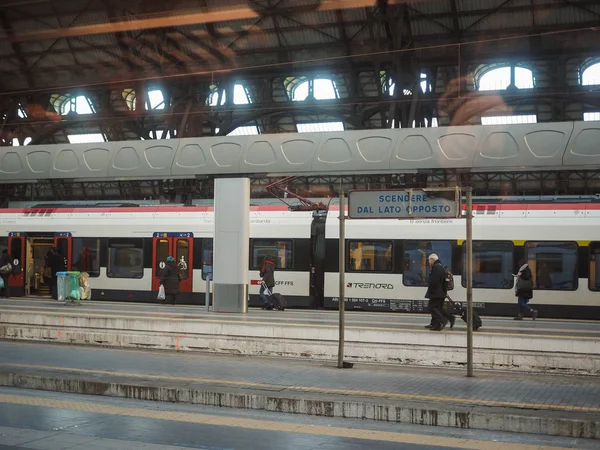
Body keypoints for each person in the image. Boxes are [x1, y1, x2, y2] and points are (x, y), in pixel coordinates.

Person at [424, 253, 455, 331]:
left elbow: (434, 281)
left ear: (432, 259)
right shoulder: (440, 266)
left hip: (436, 292)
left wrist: (431, 291)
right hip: (440, 292)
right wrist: (444, 291)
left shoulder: (436, 267)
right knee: (438, 308)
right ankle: (435, 324)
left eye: (429, 260)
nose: (428, 262)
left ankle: (443, 321)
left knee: (432, 307)